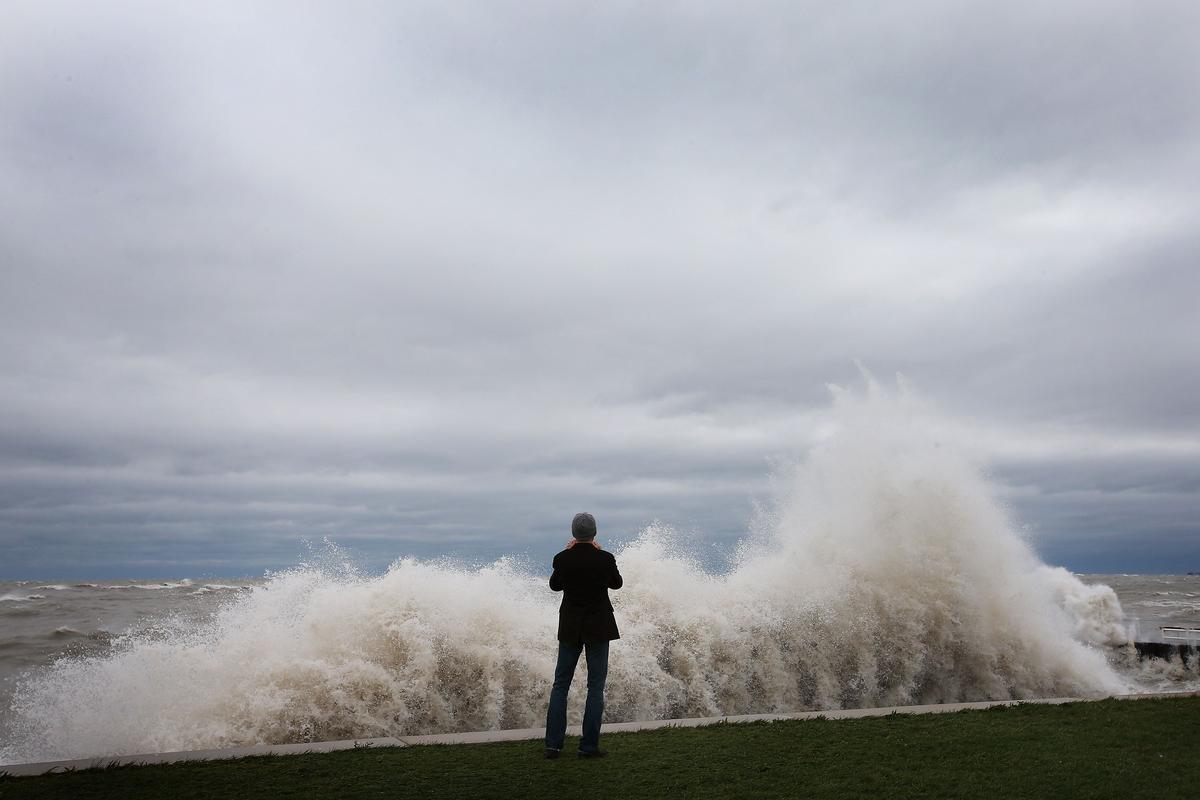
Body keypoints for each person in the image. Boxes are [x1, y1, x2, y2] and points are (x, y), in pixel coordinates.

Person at [544, 511, 623, 759]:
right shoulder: (605, 558)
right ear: (594, 533)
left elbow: (555, 585)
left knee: (560, 685)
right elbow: (616, 583)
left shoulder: (562, 558)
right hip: (598, 627)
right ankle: (588, 747)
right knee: (595, 687)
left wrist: (568, 554)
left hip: (570, 626)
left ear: (573, 534)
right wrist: (599, 553)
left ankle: (553, 746)